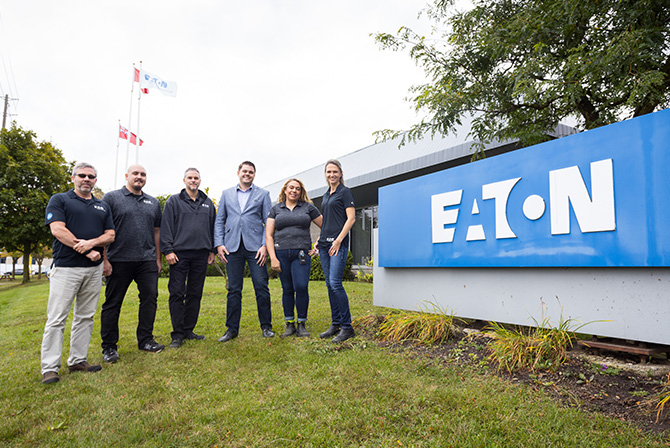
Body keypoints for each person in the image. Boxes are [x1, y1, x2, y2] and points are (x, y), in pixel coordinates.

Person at [40, 162, 115, 384]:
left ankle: (77, 360)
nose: (86, 179)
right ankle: (50, 367)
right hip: (66, 268)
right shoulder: (60, 200)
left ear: (95, 181)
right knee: (57, 318)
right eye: (82, 175)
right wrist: (84, 249)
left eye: (91, 176)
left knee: (85, 316)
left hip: (93, 271)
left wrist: (93, 244)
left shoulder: (102, 206)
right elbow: (58, 229)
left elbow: (110, 234)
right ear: (73, 177)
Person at [100, 164, 164, 362]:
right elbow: (101, 230)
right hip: (118, 260)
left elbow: (157, 232)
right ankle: (109, 347)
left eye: (143, 174)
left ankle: (146, 340)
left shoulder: (152, 202)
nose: (139, 177)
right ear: (126, 176)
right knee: (112, 303)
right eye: (135, 174)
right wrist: (104, 260)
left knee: (149, 300)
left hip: (146, 261)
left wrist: (158, 259)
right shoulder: (111, 198)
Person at [214, 161, 274, 341]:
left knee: (261, 287)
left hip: (256, 248)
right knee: (233, 289)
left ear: (254, 175)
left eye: (251, 172)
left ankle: (266, 327)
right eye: (244, 171)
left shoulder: (263, 194)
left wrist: (264, 245)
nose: (247, 174)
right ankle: (231, 329)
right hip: (232, 247)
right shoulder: (226, 194)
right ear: (238, 172)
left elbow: (269, 222)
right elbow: (219, 221)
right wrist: (219, 244)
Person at [161, 168, 216, 349]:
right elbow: (166, 227)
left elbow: (212, 228)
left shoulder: (208, 203)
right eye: (190, 178)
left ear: (200, 180)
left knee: (195, 293)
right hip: (179, 254)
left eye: (196, 178)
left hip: (201, 254)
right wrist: (168, 250)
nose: (193, 180)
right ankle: (177, 334)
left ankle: (188, 330)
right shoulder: (174, 201)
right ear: (184, 180)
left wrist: (212, 251)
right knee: (177, 292)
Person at [266, 179, 322, 338]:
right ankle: (289, 324)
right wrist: (273, 258)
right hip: (281, 253)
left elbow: (326, 226)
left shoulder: (308, 208)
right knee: (287, 289)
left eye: (298, 189)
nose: (294, 191)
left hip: (301, 254)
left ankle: (302, 323)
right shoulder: (275, 209)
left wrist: (317, 244)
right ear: (285, 190)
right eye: (291, 188)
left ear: (301, 191)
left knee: (301, 286)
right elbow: (269, 235)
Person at [317, 159, 356, 342]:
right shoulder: (326, 195)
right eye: (328, 172)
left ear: (340, 173)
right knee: (329, 285)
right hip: (325, 245)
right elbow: (327, 220)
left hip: (337, 244)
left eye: (334, 172)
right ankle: (335, 324)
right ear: (325, 175)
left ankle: (347, 327)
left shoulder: (344, 192)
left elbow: (351, 218)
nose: (331, 175)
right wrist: (319, 239)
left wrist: (339, 240)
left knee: (335, 283)